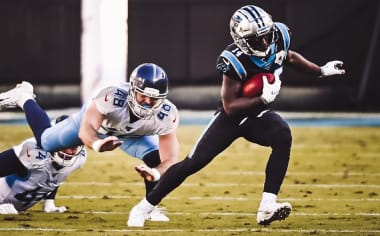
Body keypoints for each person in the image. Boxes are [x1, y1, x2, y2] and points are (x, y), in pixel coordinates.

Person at [127, 5, 346, 227]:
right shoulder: (233, 59)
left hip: (257, 115)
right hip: (231, 118)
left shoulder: (279, 35)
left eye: (265, 36)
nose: (264, 43)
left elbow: (289, 57)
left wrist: (321, 70)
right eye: (256, 40)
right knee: (193, 163)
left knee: (282, 135)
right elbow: (230, 106)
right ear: (241, 40)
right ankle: (143, 207)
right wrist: (262, 99)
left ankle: (267, 206)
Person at [0, 63, 180, 221]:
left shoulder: (167, 114)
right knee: (45, 142)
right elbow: (87, 130)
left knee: (155, 158)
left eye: (153, 99)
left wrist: (155, 173)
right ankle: (24, 97)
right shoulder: (112, 96)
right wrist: (96, 144)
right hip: (96, 127)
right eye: (143, 95)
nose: (146, 102)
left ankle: (150, 207)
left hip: (131, 136)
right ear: (132, 90)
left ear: (162, 99)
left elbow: (170, 160)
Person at [0, 114, 86, 214]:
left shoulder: (79, 157)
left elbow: (55, 176)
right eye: (66, 144)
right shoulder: (32, 153)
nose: (71, 150)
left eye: (75, 144)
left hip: (3, 195)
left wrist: (49, 203)